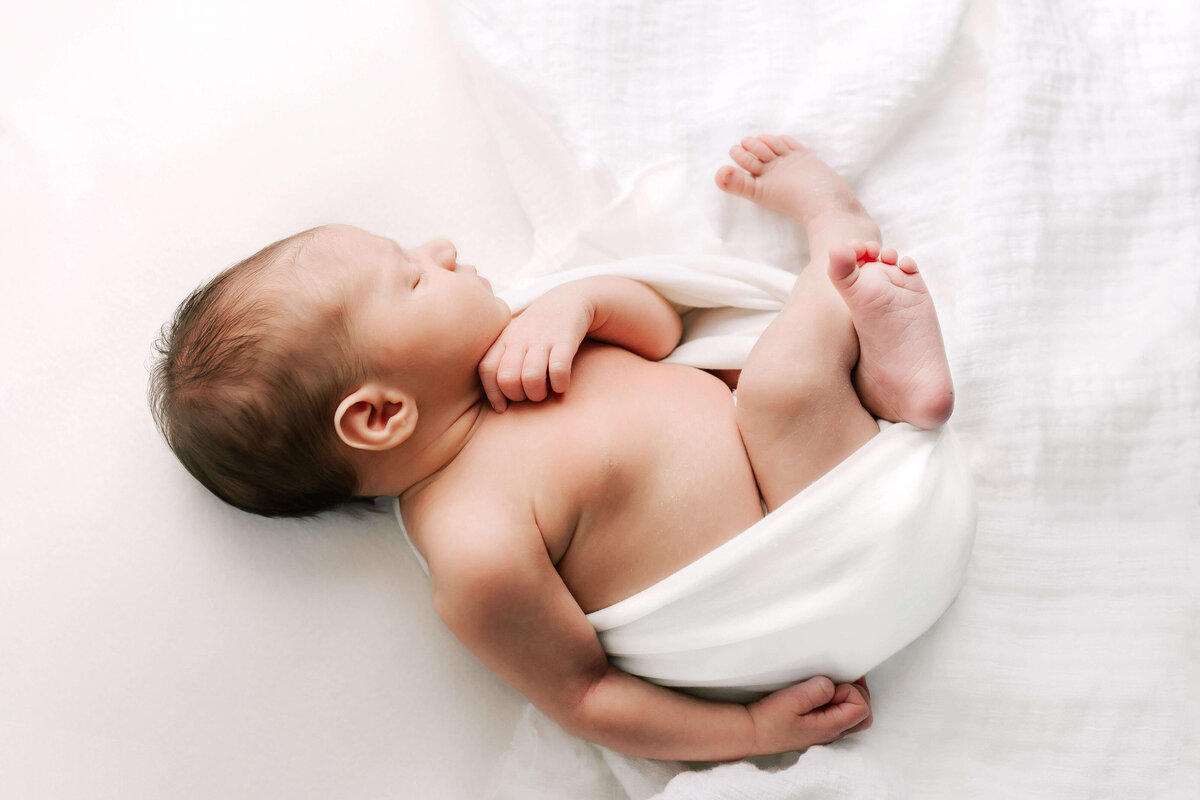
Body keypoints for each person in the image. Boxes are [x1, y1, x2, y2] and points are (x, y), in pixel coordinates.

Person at [150, 135, 954, 761]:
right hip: (812, 574)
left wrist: (578, 306)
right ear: (379, 416)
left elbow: (664, 328)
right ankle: (839, 233)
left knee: (771, 383)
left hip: (837, 477)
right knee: (781, 385)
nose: (440, 250)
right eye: (412, 280)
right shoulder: (474, 544)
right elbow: (585, 695)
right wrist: (748, 731)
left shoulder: (525, 337)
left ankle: (894, 389)